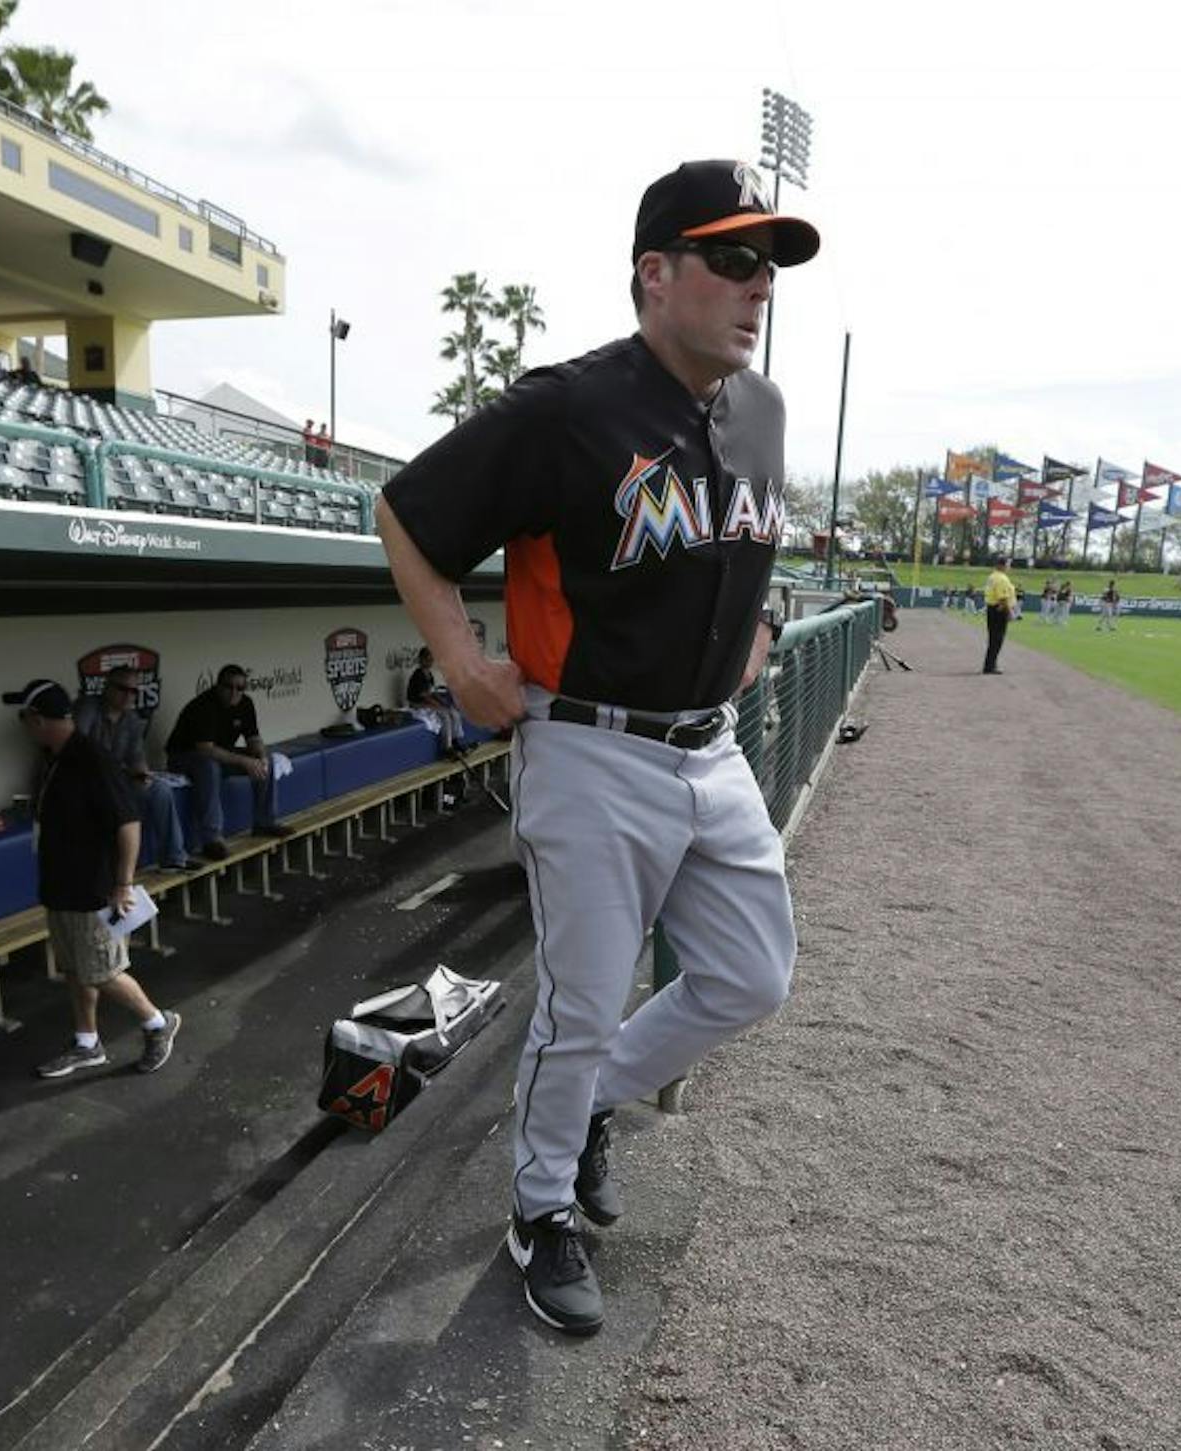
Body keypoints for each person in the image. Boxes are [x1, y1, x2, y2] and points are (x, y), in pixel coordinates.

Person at [375, 157, 814, 1337]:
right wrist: (464, 664)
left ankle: (586, 1112)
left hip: (708, 748)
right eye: (731, 258)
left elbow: (747, 554)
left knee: (750, 973)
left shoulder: (763, 410)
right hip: (592, 748)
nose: (757, 283)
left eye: (766, 264)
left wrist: (761, 626)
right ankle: (538, 1208)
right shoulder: (569, 407)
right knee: (579, 1005)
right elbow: (407, 512)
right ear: (654, 275)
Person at [0, 679, 182, 1079]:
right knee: (75, 968)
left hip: (92, 889)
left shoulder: (90, 758)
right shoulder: (56, 757)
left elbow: (129, 822)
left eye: (24, 717)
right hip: (60, 886)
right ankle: (87, 1043)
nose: (23, 725)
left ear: (38, 718)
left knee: (103, 971)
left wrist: (122, 884)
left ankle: (158, 1023)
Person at [164, 664, 286, 861]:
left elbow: (253, 737)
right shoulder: (204, 705)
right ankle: (212, 840)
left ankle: (265, 823)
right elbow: (205, 748)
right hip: (184, 756)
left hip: (218, 753)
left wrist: (261, 756)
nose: (234, 692)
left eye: (239, 688)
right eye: (228, 686)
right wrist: (245, 762)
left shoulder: (245, 703)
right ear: (217, 686)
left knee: (268, 760)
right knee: (210, 767)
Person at [76, 666, 190, 872]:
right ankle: (116, 874)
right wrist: (119, 771)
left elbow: (136, 757)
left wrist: (142, 774)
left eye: (134, 691)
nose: (129, 695)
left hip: (117, 781)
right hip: (86, 783)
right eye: (123, 689)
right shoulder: (88, 708)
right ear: (107, 687)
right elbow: (78, 751)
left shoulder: (131, 719)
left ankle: (173, 858)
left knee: (160, 790)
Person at [983, 561, 1016, 673]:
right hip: (999, 609)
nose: (1009, 567)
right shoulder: (1002, 578)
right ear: (1002, 565)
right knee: (997, 639)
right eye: (1007, 564)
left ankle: (990, 664)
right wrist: (1010, 612)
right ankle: (990, 666)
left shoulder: (992, 576)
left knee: (993, 639)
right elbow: (1002, 598)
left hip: (992, 608)